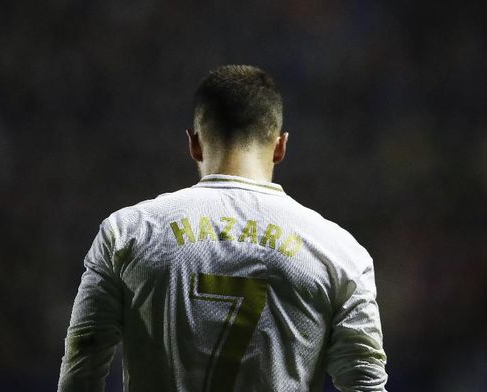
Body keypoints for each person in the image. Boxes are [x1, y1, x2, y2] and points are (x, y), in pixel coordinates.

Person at [58, 65, 388, 391]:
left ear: (195, 143)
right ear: (280, 146)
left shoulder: (127, 231)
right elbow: (365, 384)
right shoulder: (341, 252)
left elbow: (81, 365)